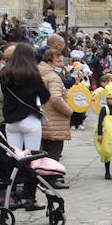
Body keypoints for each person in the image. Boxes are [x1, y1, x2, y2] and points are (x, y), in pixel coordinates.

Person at [0, 42, 51, 209]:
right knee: (32, 160)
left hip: (11, 121)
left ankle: (11, 195)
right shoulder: (32, 75)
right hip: (29, 120)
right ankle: (30, 197)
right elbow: (44, 96)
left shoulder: (4, 74)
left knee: (13, 159)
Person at [36, 47, 72, 180]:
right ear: (49, 62)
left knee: (45, 149)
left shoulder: (39, 72)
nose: (61, 64)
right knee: (54, 150)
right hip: (55, 119)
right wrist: (69, 111)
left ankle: (45, 176)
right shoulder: (53, 77)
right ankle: (52, 177)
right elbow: (56, 98)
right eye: (58, 61)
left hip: (44, 118)